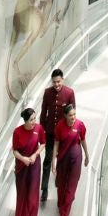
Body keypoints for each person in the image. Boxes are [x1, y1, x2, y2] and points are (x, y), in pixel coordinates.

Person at [38, 68, 75, 205]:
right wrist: (41, 132)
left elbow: (72, 115)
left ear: (63, 80)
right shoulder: (47, 93)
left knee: (62, 160)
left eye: (58, 82)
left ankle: (60, 183)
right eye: (54, 82)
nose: (56, 85)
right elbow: (43, 114)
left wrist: (70, 133)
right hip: (49, 133)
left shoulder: (69, 93)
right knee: (47, 160)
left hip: (63, 135)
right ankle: (45, 189)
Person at [52, 102, 89, 216]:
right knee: (61, 184)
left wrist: (87, 156)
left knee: (71, 186)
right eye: (70, 115)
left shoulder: (80, 125)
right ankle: (62, 204)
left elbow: (83, 140)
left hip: (76, 159)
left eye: (74, 114)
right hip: (62, 159)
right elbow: (56, 143)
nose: (73, 117)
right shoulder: (59, 127)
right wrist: (53, 162)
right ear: (65, 116)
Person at [10, 107, 44, 216]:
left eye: (35, 118)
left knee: (32, 193)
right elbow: (15, 151)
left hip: (34, 164)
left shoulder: (39, 129)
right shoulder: (17, 132)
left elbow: (43, 144)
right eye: (31, 120)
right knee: (22, 192)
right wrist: (23, 159)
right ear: (25, 121)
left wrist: (35, 155)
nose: (34, 121)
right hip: (21, 165)